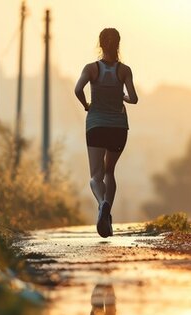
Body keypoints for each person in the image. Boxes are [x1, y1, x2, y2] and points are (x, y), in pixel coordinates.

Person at [74, 28, 139, 238]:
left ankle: (102, 204)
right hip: (119, 127)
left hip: (96, 125)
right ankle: (108, 215)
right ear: (118, 44)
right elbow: (134, 98)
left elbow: (77, 89)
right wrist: (122, 97)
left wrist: (86, 105)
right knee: (110, 171)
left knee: (95, 176)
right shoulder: (124, 70)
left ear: (100, 44)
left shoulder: (91, 68)